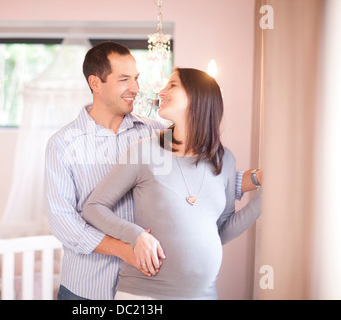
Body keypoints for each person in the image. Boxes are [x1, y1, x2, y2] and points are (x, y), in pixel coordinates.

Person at [44, 42, 262, 300]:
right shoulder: (64, 144)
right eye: (124, 79)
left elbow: (199, 181)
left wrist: (259, 179)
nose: (136, 88)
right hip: (89, 288)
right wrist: (126, 247)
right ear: (95, 83)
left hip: (155, 283)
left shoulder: (155, 133)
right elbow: (63, 222)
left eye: (136, 78)